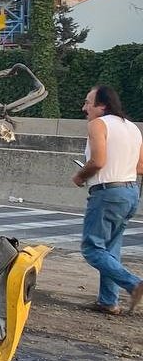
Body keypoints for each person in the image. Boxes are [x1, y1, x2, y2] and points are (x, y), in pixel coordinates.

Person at [72, 85, 143, 315]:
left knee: (92, 249)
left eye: (88, 103)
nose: (85, 108)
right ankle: (108, 301)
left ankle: (134, 284)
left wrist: (80, 176)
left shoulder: (98, 124)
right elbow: (140, 166)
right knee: (111, 248)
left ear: (102, 106)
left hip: (107, 193)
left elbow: (98, 161)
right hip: (130, 192)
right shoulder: (132, 128)